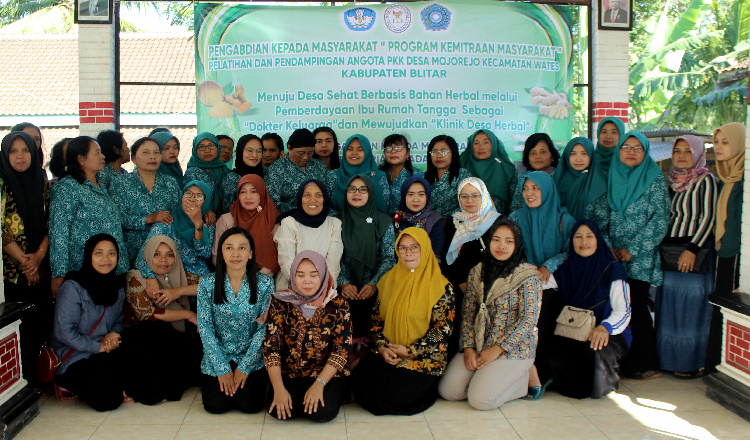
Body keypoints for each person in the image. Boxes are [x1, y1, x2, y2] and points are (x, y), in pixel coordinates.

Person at [439, 217, 542, 409]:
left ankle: (522, 382)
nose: (501, 246)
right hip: (479, 343)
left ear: (517, 244)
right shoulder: (477, 272)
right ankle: (486, 379)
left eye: (509, 241)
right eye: (496, 239)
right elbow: (468, 313)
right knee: (449, 392)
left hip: (512, 349)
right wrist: (468, 348)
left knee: (480, 400)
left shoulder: (528, 276)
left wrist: (497, 349)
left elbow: (528, 319)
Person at [354, 227, 454, 415]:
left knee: (398, 396)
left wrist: (410, 350)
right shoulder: (387, 281)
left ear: (425, 249)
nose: (408, 252)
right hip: (390, 351)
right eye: (403, 247)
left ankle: (426, 390)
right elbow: (376, 322)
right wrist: (382, 347)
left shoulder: (441, 286)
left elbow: (442, 330)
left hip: (423, 356)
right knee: (359, 381)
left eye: (415, 247)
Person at [536, 220, 631, 399]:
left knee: (596, 351)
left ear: (598, 240)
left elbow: (623, 310)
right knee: (550, 357)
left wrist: (605, 327)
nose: (583, 241)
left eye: (589, 236)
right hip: (575, 330)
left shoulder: (613, 269)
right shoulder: (568, 268)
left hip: (608, 332)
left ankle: (606, 381)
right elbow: (540, 285)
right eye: (578, 237)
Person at [608, 131, 670, 380]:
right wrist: (609, 248)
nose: (631, 152)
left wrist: (632, 249)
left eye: (638, 148)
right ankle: (624, 362)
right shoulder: (612, 175)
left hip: (640, 257)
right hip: (614, 255)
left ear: (645, 152)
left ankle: (647, 363)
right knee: (618, 305)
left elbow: (660, 220)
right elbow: (604, 214)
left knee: (637, 307)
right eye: (626, 147)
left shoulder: (654, 178)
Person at [264, 251, 352, 423]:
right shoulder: (282, 302)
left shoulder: (338, 304)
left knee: (321, 413)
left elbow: (341, 350)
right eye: (300, 275)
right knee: (280, 411)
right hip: (291, 373)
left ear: (323, 275)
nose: (307, 281)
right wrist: (279, 388)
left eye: (314, 275)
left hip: (328, 374)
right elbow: (270, 347)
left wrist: (319, 384)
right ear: (293, 276)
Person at [509, 171, 576, 395]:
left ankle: (540, 374)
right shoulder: (516, 218)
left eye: (536, 188)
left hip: (553, 284)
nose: (529, 193)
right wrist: (526, 268)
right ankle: (520, 373)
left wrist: (548, 265)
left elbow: (571, 251)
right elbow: (510, 250)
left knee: (544, 317)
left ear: (547, 190)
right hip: (523, 281)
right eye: (525, 188)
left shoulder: (564, 220)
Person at [656, 136, 717, 378]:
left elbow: (708, 217)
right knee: (670, 308)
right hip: (671, 253)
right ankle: (669, 360)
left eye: (687, 151)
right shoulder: (671, 181)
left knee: (690, 310)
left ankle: (692, 363)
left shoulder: (705, 180)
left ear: (698, 154)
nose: (681, 156)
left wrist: (692, 249)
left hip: (694, 252)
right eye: (677, 151)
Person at [197, 227, 274, 414]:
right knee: (215, 406)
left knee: (250, 406)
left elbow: (264, 328)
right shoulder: (207, 283)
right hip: (218, 355)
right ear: (221, 253)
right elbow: (205, 327)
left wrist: (245, 367)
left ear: (250, 253)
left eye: (242, 248)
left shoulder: (265, 284)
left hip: (250, 356)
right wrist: (222, 368)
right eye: (229, 248)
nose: (235, 254)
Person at [121, 235, 202, 404]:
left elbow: (212, 286)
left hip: (174, 338)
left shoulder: (180, 273)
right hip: (143, 343)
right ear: (147, 256)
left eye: (169, 255)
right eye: (156, 254)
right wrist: (188, 314)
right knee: (155, 331)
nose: (163, 260)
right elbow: (148, 313)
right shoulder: (135, 276)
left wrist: (178, 291)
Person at [1, 131, 52, 388]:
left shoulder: (41, 182)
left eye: (26, 150)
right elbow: (2, 228)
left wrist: (38, 257)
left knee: (40, 321)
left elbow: (50, 223)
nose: (20, 156)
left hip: (41, 264)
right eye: (13, 151)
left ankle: (39, 379)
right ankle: (21, 383)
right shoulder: (1, 183)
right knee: (17, 326)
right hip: (12, 270)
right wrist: (25, 262)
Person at [51, 234, 126, 411]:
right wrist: (98, 347)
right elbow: (64, 332)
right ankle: (64, 383)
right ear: (89, 256)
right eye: (99, 253)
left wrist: (113, 335)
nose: (106, 259)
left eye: (111, 253)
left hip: (104, 351)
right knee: (109, 400)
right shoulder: (73, 287)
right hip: (74, 356)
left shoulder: (117, 286)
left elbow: (118, 320)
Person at [49, 136, 129, 296]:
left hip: (111, 267)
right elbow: (59, 231)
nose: (103, 156)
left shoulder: (101, 184)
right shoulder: (67, 188)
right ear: (81, 159)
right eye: (97, 153)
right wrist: (59, 272)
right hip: (84, 270)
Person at [444, 177, 501, 356]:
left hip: (493, 285)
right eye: (464, 196)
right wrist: (462, 282)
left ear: (484, 196)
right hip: (463, 285)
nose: (470, 200)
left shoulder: (497, 221)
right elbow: (448, 260)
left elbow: (504, 257)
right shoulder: (453, 222)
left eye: (475, 196)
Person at [337, 174, 395, 342]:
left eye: (363, 189)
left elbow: (389, 258)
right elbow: (332, 257)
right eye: (352, 189)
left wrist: (374, 284)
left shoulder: (384, 222)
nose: (357, 193)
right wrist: (344, 282)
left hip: (375, 290)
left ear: (371, 193)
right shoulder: (336, 221)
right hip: (343, 291)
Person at [708, 123, 746, 370]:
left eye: (725, 142)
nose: (718, 147)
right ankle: (715, 363)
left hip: (738, 259)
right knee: (720, 310)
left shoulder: (743, 181)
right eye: (716, 142)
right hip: (723, 253)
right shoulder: (726, 178)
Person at [109, 137, 181, 266]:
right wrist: (149, 219)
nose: (152, 157)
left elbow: (180, 213)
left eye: (156, 152)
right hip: (133, 252)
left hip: (165, 253)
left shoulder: (170, 182)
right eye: (146, 152)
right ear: (134, 158)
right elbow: (116, 219)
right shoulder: (121, 183)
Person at [136, 180, 214, 285]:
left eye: (199, 196)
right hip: (169, 278)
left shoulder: (209, 224)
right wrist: (151, 279)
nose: (192, 199)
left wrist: (198, 224)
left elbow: (205, 254)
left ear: (206, 201)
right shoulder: (166, 223)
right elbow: (142, 257)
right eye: (188, 193)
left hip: (198, 279)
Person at [274, 179, 343, 290]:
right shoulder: (289, 222)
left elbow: (333, 261)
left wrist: (322, 287)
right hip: (292, 284)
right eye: (307, 195)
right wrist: (302, 285)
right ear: (300, 199)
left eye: (318, 195)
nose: (312, 200)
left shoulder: (334, 224)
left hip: (324, 285)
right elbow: (286, 260)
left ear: (325, 199)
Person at [213, 174, 280, 277]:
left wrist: (257, 280)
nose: (248, 196)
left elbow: (278, 257)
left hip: (264, 277)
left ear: (262, 193)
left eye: (254, 191)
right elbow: (217, 257)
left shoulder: (272, 219)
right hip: (231, 276)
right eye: (243, 192)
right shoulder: (226, 220)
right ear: (238, 195)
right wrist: (237, 278)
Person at [554, 137, 610, 244]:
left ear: (591, 155)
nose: (578, 159)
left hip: (590, 242)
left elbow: (602, 222)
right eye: (573, 154)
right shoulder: (558, 179)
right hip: (559, 241)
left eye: (584, 154)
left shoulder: (599, 182)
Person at [265, 129, 328, 214]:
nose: (305, 157)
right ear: (289, 147)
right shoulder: (277, 168)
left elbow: (327, 196)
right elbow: (272, 202)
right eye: (301, 153)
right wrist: (304, 211)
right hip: (291, 218)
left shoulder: (320, 166)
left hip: (321, 216)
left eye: (310, 153)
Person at [327, 134, 389, 213]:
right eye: (350, 149)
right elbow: (325, 206)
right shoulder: (333, 176)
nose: (354, 153)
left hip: (372, 220)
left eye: (360, 149)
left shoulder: (379, 176)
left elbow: (385, 205)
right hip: (339, 220)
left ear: (367, 152)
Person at [460, 129, 515, 214]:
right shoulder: (462, 167)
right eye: (476, 143)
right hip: (466, 219)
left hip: (499, 219)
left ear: (494, 144)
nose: (481, 147)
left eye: (486, 142)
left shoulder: (506, 169)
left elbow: (514, 202)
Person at [393, 176, 446, 258]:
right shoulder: (395, 218)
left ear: (427, 197)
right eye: (410, 194)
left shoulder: (435, 220)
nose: (416, 199)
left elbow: (435, 255)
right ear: (404, 196)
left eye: (421, 194)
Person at [183, 133, 229, 225]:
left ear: (218, 148)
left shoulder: (224, 170)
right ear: (195, 150)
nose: (207, 150)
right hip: (203, 219)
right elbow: (190, 198)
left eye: (211, 146)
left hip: (225, 219)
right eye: (201, 147)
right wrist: (206, 210)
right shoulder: (192, 172)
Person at [509, 133, 561, 212]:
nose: (537, 156)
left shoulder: (561, 177)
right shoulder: (522, 178)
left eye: (543, 152)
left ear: (552, 156)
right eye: (533, 153)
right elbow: (515, 208)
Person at [424, 135, 471, 218]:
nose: (439, 155)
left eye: (444, 151)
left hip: (456, 222)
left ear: (453, 153)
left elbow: (469, 204)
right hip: (428, 222)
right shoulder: (425, 176)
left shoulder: (463, 175)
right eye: (434, 151)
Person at [380, 134, 424, 215]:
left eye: (398, 147)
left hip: (409, 220)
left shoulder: (417, 175)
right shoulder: (378, 174)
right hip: (380, 221)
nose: (393, 151)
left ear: (407, 153)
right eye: (389, 148)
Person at [219, 134, 264, 213]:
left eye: (259, 151)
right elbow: (228, 211)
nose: (255, 155)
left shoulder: (267, 174)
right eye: (249, 150)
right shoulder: (232, 179)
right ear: (240, 152)